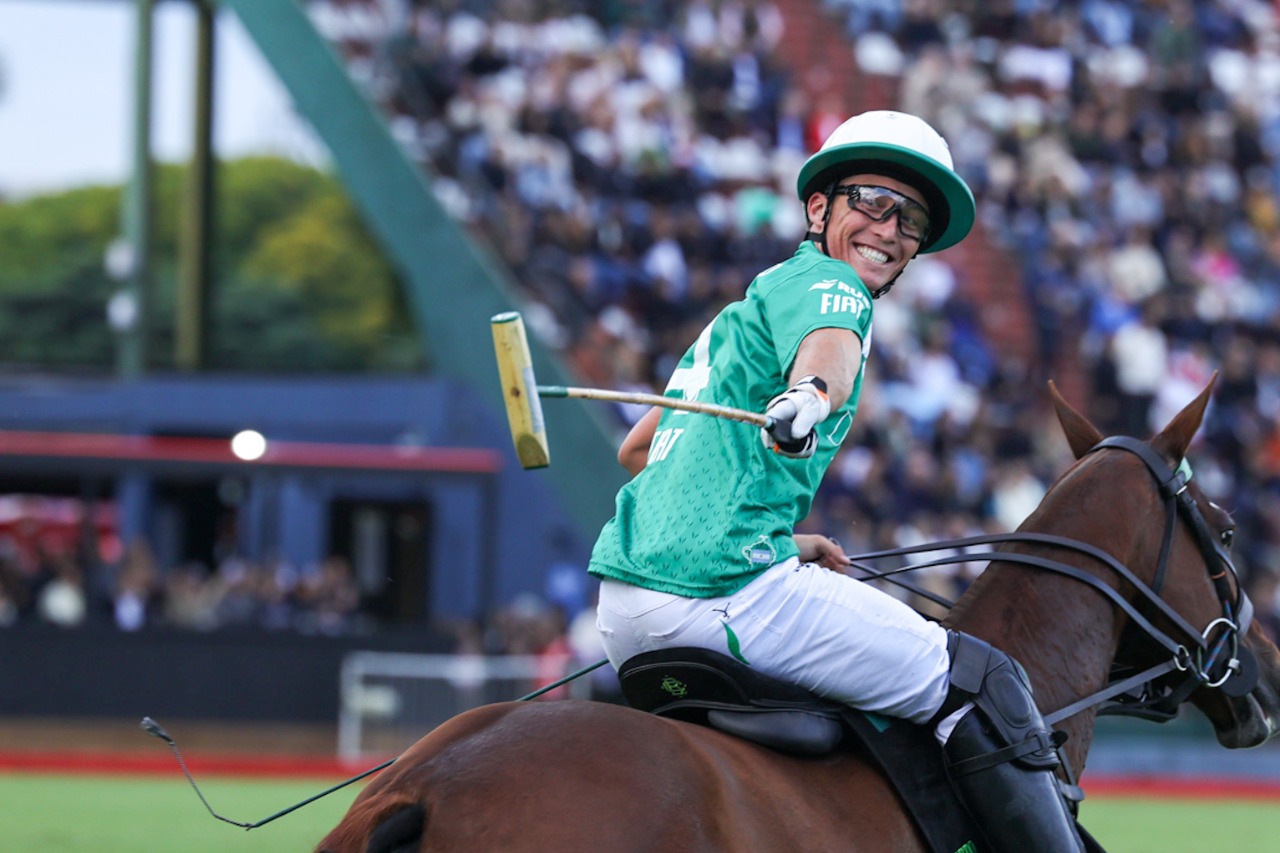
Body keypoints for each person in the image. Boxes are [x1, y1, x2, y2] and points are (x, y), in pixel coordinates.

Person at [588, 110, 1086, 853]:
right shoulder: (832, 287)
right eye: (872, 201)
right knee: (981, 680)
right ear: (819, 208)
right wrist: (810, 397)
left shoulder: (742, 310)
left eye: (911, 217)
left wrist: (781, 537)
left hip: (624, 608)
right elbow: (829, 353)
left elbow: (641, 450)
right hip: (718, 593)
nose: (890, 228)